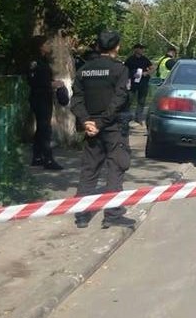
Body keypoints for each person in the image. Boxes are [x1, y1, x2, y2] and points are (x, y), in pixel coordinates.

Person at [70, 30, 134, 229]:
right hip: (113, 126)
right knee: (116, 167)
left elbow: (76, 100)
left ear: (97, 47)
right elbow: (119, 99)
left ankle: (82, 215)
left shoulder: (84, 70)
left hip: (91, 127)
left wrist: (86, 121)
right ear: (117, 47)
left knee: (89, 169)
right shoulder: (119, 70)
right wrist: (101, 122)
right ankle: (112, 214)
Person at [26, 36, 65, 170]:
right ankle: (48, 159)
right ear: (40, 46)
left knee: (42, 127)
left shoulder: (43, 61)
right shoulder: (35, 62)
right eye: (47, 43)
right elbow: (33, 81)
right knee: (45, 128)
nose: (49, 45)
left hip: (46, 96)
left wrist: (53, 83)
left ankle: (37, 157)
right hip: (39, 98)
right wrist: (51, 84)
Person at [124, 43, 153, 125]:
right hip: (132, 83)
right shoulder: (130, 59)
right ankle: (126, 116)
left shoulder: (145, 59)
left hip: (143, 82)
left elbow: (151, 68)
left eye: (142, 48)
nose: (142, 50)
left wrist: (147, 73)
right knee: (129, 100)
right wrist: (130, 76)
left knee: (141, 101)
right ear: (136, 49)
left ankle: (138, 117)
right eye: (140, 48)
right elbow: (124, 70)